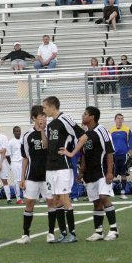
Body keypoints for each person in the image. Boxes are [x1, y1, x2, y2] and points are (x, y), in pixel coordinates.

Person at [42, 96, 87, 243]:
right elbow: (47, 146)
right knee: (55, 198)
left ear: (52, 106)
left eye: (45, 107)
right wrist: (42, 131)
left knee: (64, 197)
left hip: (63, 165)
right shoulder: (50, 125)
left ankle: (72, 233)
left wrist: (72, 153)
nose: (44, 110)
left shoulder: (65, 118)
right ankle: (62, 232)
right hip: (50, 166)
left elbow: (83, 136)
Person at [79, 106, 120, 241]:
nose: (82, 116)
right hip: (90, 173)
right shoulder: (85, 134)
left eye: (85, 114)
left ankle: (114, 229)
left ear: (92, 117)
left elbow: (109, 151)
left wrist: (109, 172)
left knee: (104, 197)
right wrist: (81, 171)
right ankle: (98, 231)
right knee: (96, 202)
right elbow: (84, 154)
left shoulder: (101, 130)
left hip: (102, 171)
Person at [15, 106, 52, 244]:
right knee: (29, 203)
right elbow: (25, 158)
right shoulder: (27, 136)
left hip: (48, 174)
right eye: (41, 116)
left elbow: (45, 146)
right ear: (34, 118)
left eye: (45, 116)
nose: (44, 118)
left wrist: (42, 131)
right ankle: (25, 234)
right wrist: (22, 178)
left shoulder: (49, 132)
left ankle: (51, 233)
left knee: (51, 202)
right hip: (32, 174)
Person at [109, 113, 132, 200]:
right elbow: (109, 145)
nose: (120, 120)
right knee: (111, 174)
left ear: (123, 120)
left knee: (123, 174)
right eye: (118, 118)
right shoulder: (111, 131)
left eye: (121, 118)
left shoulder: (127, 130)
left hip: (124, 156)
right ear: (115, 120)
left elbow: (130, 144)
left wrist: (131, 156)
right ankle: (109, 192)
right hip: (114, 156)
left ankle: (123, 192)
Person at [5, 126, 24, 205]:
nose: (18, 132)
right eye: (16, 131)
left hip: (23, 162)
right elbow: (7, 155)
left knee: (24, 180)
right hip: (15, 163)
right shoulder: (11, 142)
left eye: (19, 131)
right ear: (13, 132)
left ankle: (27, 197)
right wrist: (11, 163)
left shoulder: (23, 140)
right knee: (17, 181)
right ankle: (18, 198)